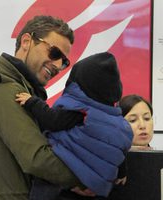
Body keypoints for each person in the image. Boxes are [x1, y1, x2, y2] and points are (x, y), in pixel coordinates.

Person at [0, 15, 88, 200]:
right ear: (26, 41)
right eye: (54, 53)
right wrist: (87, 178)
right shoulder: (8, 91)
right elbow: (37, 160)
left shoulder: (27, 93)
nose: (57, 65)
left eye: (64, 62)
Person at [15, 52, 133, 200]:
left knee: (43, 186)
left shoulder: (80, 111)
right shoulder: (118, 122)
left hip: (69, 175)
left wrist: (32, 102)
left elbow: (52, 120)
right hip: (97, 186)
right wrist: (122, 172)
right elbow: (117, 151)